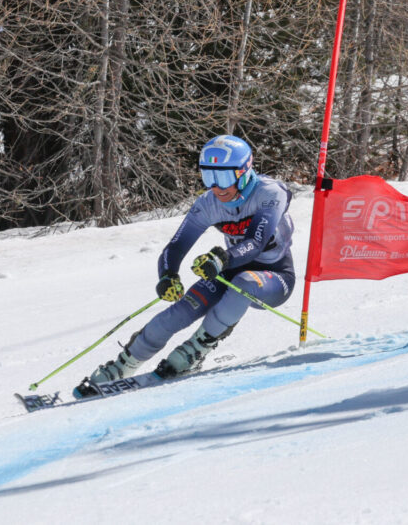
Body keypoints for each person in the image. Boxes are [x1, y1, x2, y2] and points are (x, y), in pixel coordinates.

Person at [74, 134, 296, 398]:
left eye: (223, 178)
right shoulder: (208, 204)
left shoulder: (270, 193)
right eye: (208, 177)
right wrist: (167, 275)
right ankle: (124, 364)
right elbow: (176, 247)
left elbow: (256, 242)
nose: (216, 187)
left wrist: (222, 259)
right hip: (228, 269)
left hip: (274, 277)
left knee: (244, 282)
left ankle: (196, 348)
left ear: (244, 172)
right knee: (181, 309)